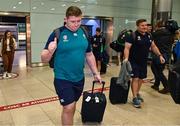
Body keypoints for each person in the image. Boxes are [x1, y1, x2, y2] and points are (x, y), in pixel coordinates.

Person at [41, 6, 101, 125]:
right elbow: (43, 59)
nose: (76, 24)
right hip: (62, 78)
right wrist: (50, 51)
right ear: (66, 19)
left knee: (72, 105)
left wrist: (95, 73)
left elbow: (89, 54)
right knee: (69, 107)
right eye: (73, 21)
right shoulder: (57, 33)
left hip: (79, 77)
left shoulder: (84, 32)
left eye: (79, 21)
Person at [123, 19, 165, 108]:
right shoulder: (132, 35)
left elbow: (153, 46)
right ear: (137, 26)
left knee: (141, 79)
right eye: (142, 25)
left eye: (145, 25)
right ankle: (134, 97)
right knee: (135, 78)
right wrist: (126, 58)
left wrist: (160, 55)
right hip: (133, 61)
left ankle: (137, 93)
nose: (145, 27)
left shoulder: (149, 36)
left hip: (143, 62)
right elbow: (127, 48)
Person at [150, 21, 174, 94]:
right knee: (155, 68)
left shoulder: (155, 34)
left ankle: (167, 87)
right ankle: (156, 84)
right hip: (167, 54)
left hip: (159, 54)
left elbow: (152, 43)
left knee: (158, 71)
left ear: (157, 25)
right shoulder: (170, 34)